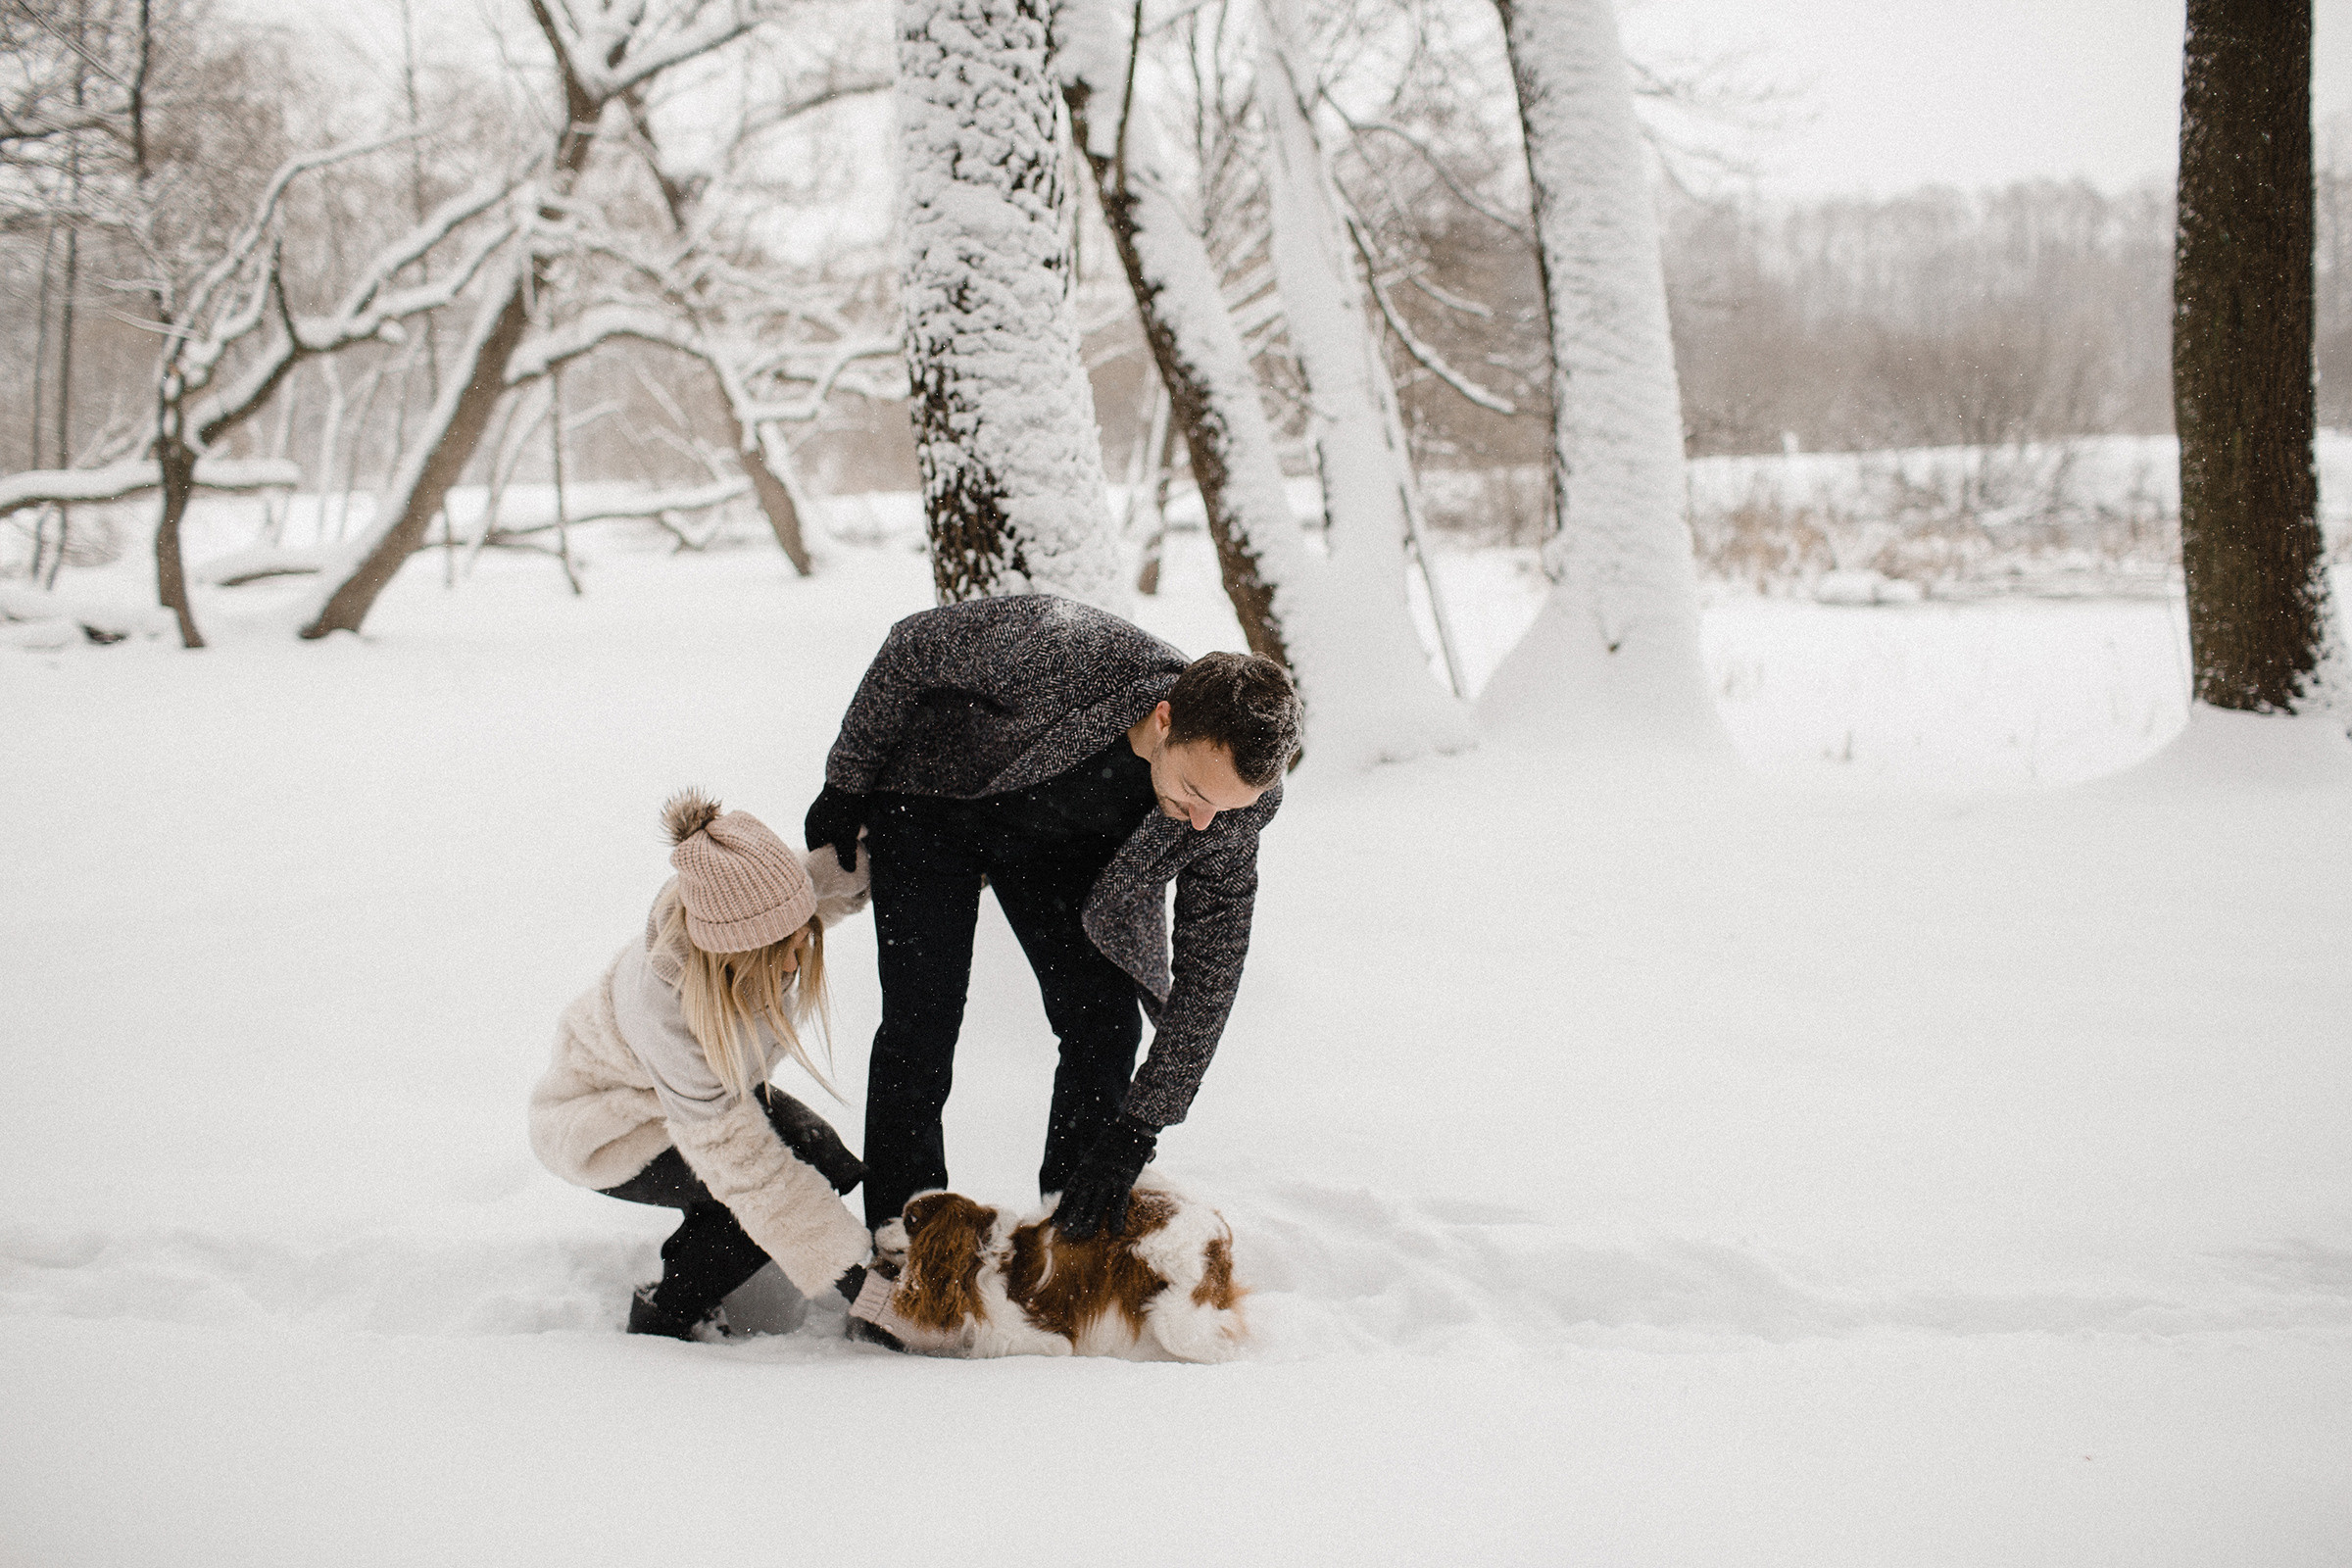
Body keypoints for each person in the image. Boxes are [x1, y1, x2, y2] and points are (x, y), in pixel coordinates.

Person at [805, 593, 1303, 1245]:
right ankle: (903, 1248)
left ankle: (1069, 1243)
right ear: (1162, 721)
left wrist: (1139, 1128)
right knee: (921, 1024)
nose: (1207, 821)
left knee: (1104, 1023)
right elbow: (910, 647)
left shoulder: (1233, 807)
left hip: (1058, 855)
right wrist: (845, 783)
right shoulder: (1062, 647)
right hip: (936, 802)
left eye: (1228, 808)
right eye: (1196, 794)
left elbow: (1211, 972)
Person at [528, 789, 875, 1339]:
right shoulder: (667, 1017)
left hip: (683, 1104)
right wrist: (869, 1292)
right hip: (608, 1126)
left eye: (800, 939)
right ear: (733, 954)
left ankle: (704, 1259)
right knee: (751, 1184)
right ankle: (665, 1318)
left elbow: (824, 883)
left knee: (822, 1155)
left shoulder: (737, 905)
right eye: (780, 951)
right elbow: (754, 1175)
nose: (795, 962)